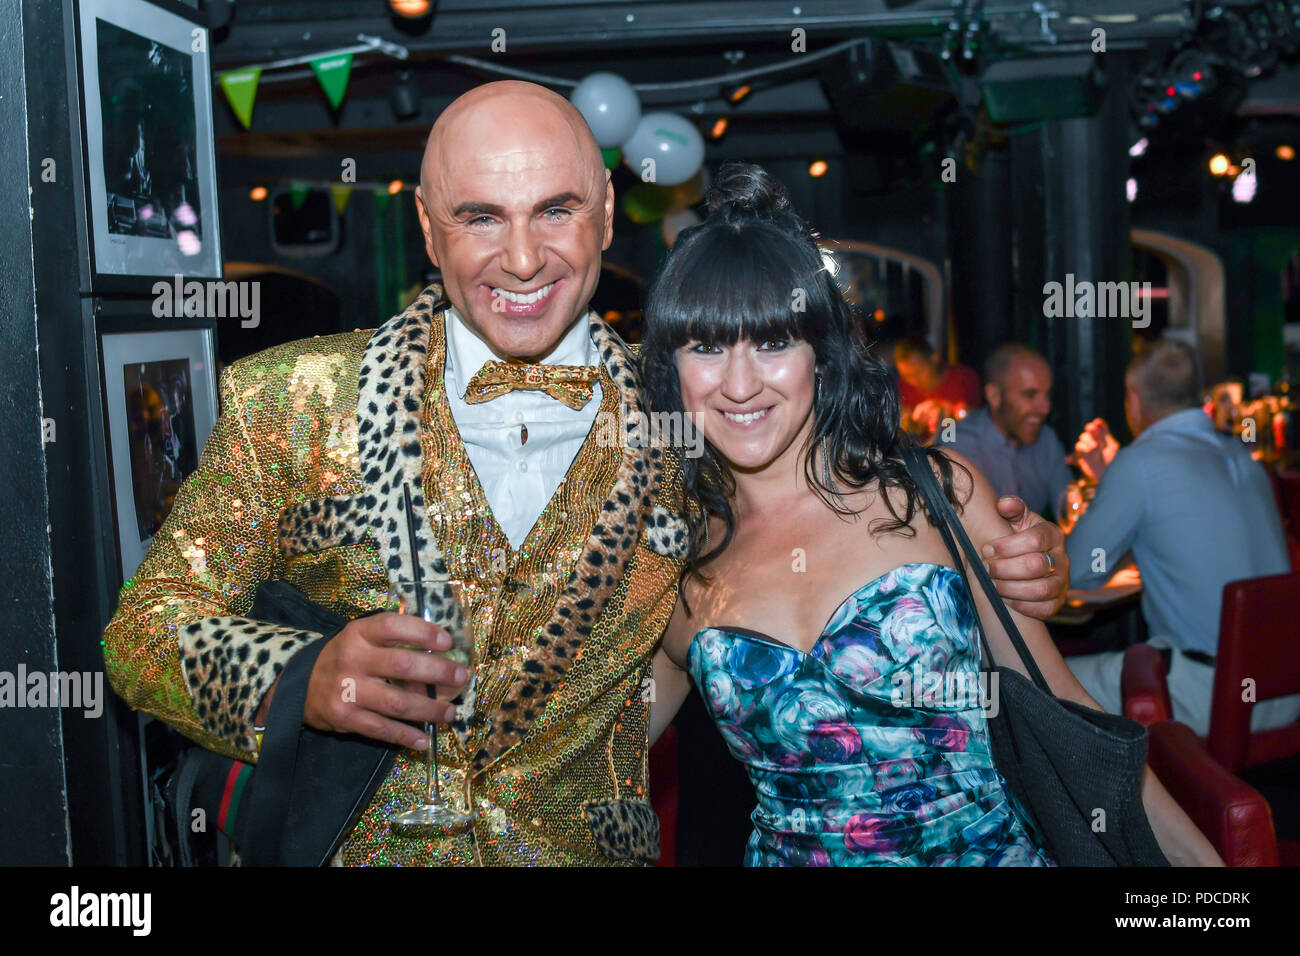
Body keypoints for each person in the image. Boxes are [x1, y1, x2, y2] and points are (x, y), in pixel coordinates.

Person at [102, 81, 1072, 867]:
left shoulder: (691, 427)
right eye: (480, 217)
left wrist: (1013, 563)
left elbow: (832, 528)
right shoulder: (292, 399)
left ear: (607, 213)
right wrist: (302, 677)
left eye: (554, 209)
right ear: (429, 226)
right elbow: (143, 633)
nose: (521, 257)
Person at [643, 163, 1220, 866]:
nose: (739, 384)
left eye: (771, 342)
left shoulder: (934, 495)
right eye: (706, 346)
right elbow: (581, 756)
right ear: (672, 368)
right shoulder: (672, 563)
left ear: (819, 355)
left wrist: (1211, 886)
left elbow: (1075, 719)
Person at [1065, 339, 1299, 736]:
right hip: (1284, 689)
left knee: (1031, 680)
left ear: (1134, 401)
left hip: (1213, 694)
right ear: (1200, 397)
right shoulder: (1247, 462)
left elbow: (1075, 571)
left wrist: (1110, 481)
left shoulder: (1138, 462)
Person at [944, 343, 1074, 521]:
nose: (1045, 408)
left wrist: (1096, 479)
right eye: (1030, 395)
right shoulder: (958, 446)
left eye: (1047, 395)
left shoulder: (1047, 439)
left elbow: (1068, 510)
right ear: (994, 396)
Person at [893, 334, 982, 440]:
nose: (913, 380)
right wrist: (912, 420)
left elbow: (978, 420)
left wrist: (951, 411)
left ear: (934, 359)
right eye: (907, 376)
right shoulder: (903, 385)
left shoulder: (964, 377)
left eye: (918, 372)